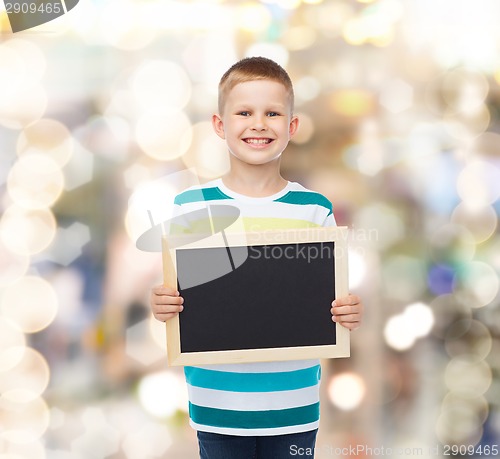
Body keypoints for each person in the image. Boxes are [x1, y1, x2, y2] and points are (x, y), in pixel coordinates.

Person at [150, 56, 364, 459]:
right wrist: (162, 304)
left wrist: (347, 312)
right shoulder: (191, 206)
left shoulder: (314, 208)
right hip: (216, 406)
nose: (259, 124)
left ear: (292, 127)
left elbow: (332, 299)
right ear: (219, 125)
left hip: (294, 406)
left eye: (273, 113)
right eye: (244, 112)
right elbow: (179, 295)